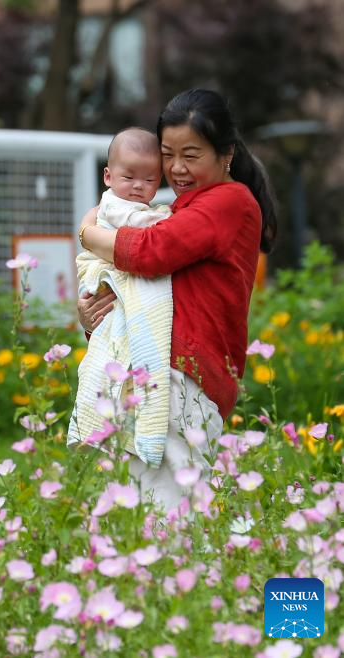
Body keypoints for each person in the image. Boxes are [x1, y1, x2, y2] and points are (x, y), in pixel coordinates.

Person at [75, 89, 278, 513]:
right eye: (167, 154)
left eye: (191, 154)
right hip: (160, 371)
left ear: (225, 153)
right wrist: (95, 313)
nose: (177, 168)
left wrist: (87, 232)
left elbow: (150, 253)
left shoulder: (229, 201)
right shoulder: (180, 207)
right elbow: (146, 289)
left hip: (184, 376)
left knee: (168, 520)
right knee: (140, 514)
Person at [68, 128, 175, 470]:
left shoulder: (129, 204)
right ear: (108, 176)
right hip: (107, 278)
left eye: (149, 179)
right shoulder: (116, 207)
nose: (138, 187)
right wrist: (168, 219)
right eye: (128, 177)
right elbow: (144, 230)